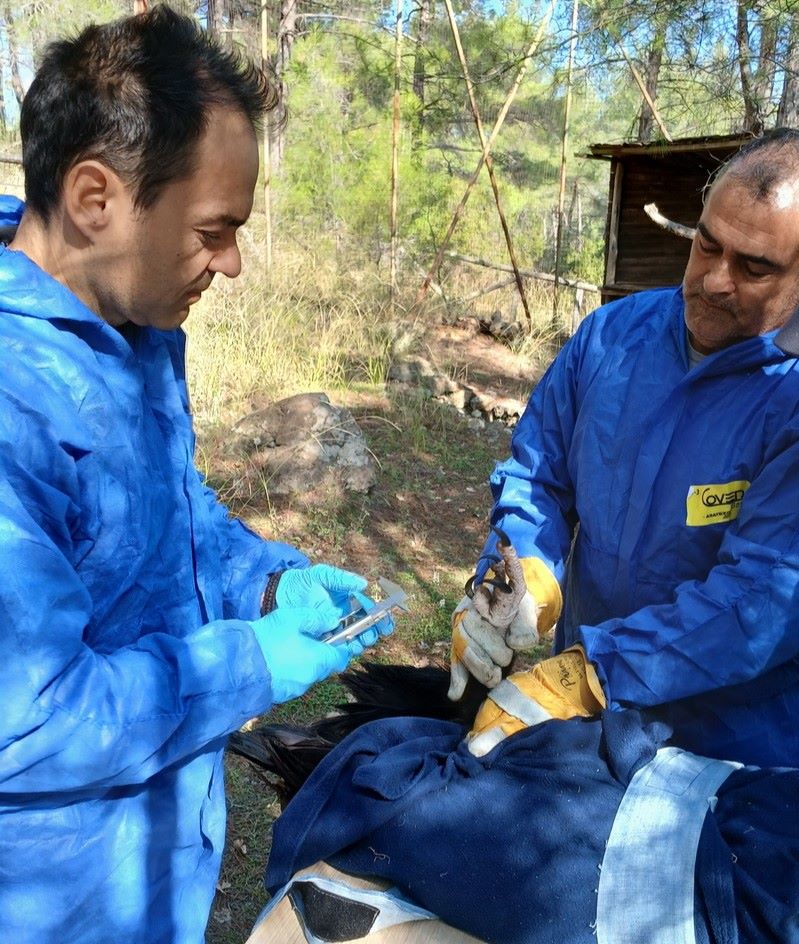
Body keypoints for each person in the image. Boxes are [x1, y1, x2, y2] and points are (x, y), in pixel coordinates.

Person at [0, 8, 390, 944]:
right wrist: (249, 663)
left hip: (155, 855)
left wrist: (267, 581)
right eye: (214, 230)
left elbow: (166, 516)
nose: (233, 263)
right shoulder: (13, 404)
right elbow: (28, 722)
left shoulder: (129, 328)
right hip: (54, 896)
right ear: (95, 198)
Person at [450, 128, 799, 800]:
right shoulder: (612, 336)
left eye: (754, 268)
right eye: (707, 244)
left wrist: (595, 673)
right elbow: (538, 476)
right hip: (585, 723)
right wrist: (522, 574)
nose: (714, 280)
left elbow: (763, 598)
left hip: (742, 750)